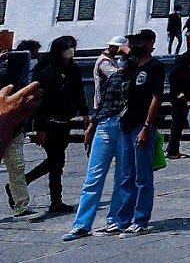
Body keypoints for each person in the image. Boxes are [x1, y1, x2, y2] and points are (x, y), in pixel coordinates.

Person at [62, 38, 130, 240]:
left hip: (125, 124)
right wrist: (92, 124)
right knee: (94, 175)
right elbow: (105, 99)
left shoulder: (135, 70)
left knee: (122, 176)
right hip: (107, 122)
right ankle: (82, 223)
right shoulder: (109, 67)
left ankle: (115, 220)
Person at [109, 28, 163, 237]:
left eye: (140, 41)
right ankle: (122, 219)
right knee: (125, 175)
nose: (136, 45)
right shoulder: (131, 66)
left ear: (150, 43)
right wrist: (124, 51)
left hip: (141, 126)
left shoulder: (154, 67)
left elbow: (156, 97)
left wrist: (147, 127)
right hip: (126, 125)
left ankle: (140, 219)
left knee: (142, 176)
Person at [26, 35, 86, 213]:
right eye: (67, 48)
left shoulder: (73, 70)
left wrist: (84, 113)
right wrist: (40, 129)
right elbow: (40, 102)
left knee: (56, 162)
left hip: (64, 121)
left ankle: (53, 198)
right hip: (49, 122)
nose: (70, 51)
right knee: (56, 161)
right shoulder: (48, 71)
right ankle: (53, 198)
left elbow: (79, 92)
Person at [1, 39, 40, 216]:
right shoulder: (4, 72)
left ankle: (21, 204)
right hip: (4, 124)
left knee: (17, 166)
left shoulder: (30, 74)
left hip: (15, 128)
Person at [167, 32, 190, 158]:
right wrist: (178, 92)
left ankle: (172, 148)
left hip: (185, 94)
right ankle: (173, 151)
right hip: (178, 95)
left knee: (179, 121)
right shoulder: (185, 57)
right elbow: (173, 75)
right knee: (177, 122)